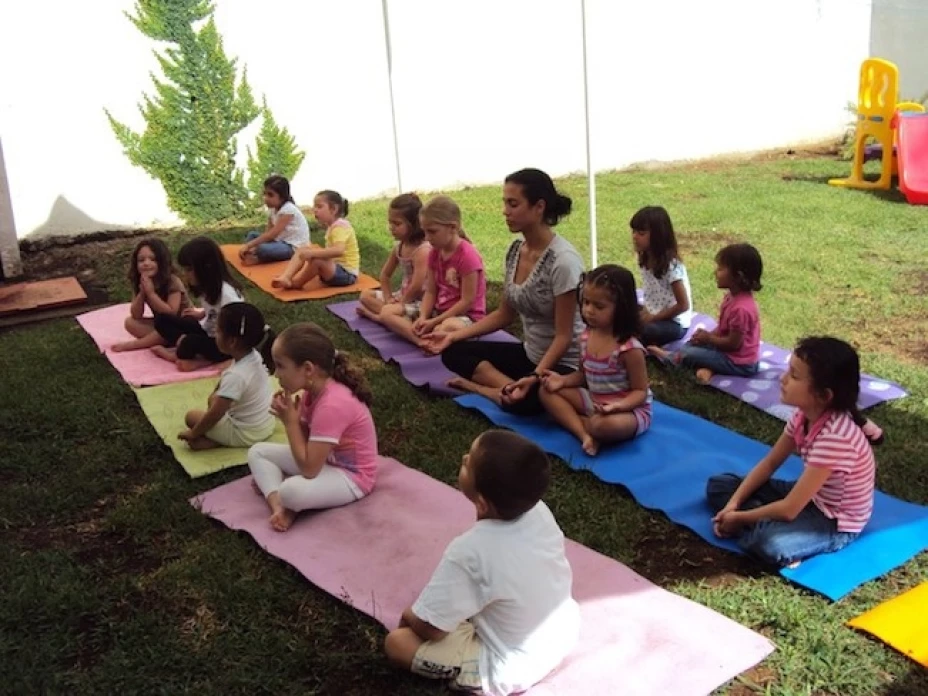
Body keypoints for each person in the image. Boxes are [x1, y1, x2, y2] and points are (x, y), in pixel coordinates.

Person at [384, 430, 580, 696]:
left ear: (482, 504)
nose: (464, 458)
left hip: (511, 666)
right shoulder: (538, 511)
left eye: (468, 463)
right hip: (564, 629)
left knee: (398, 643)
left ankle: (473, 679)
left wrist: (411, 614)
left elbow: (432, 629)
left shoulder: (468, 551)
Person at [706, 336, 883, 568]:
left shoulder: (836, 437)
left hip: (834, 521)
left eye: (794, 376)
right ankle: (761, 523)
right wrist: (733, 504)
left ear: (824, 395)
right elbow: (770, 463)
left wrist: (739, 518)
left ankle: (768, 531)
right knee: (720, 486)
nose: (783, 379)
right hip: (810, 498)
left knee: (768, 543)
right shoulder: (802, 416)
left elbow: (789, 509)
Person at [428, 169, 585, 416]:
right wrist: (455, 337)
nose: (505, 211)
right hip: (529, 354)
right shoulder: (515, 251)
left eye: (513, 204)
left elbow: (564, 337)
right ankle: (510, 391)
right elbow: (504, 314)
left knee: (534, 398)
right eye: (505, 203)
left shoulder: (564, 262)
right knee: (453, 351)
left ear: (539, 207)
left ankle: (490, 390)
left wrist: (534, 376)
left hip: (562, 365)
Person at [247, 323, 378, 532]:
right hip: (325, 461)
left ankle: (286, 501)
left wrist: (290, 423)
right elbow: (308, 443)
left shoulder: (332, 403)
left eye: (280, 366)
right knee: (258, 452)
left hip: (351, 477)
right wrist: (295, 419)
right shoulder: (312, 391)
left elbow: (309, 469)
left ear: (308, 369)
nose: (276, 374)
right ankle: (279, 507)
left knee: (290, 490)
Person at [540, 265, 652, 456]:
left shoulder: (629, 349)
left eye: (599, 306)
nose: (589, 310)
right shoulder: (585, 337)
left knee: (601, 425)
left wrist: (618, 406)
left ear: (621, 308)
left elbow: (640, 392)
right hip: (595, 401)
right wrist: (562, 381)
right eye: (586, 302)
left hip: (628, 411)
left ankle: (589, 427)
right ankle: (584, 434)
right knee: (546, 391)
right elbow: (584, 376)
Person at [379, 195, 486, 348]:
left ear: (453, 228)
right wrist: (423, 316)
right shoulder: (435, 252)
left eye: (432, 232)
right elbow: (430, 292)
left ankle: (430, 335)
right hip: (437, 310)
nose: (427, 238)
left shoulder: (468, 256)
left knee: (446, 327)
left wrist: (434, 321)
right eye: (425, 232)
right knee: (387, 312)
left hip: (465, 317)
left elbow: (466, 301)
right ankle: (422, 340)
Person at [649, 243, 762, 384]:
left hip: (740, 362)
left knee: (688, 354)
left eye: (720, 269)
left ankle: (673, 359)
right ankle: (708, 367)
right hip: (726, 351)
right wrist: (705, 337)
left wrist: (709, 339)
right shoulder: (731, 297)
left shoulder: (741, 309)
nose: (715, 272)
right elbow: (723, 329)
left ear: (738, 276)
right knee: (691, 344)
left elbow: (733, 344)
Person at [178, 303, 276, 450]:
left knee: (192, 416)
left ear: (232, 341)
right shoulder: (254, 356)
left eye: (217, 331)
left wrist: (194, 432)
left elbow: (216, 413)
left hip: (247, 434)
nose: (214, 334)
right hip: (265, 425)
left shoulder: (236, 375)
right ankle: (216, 438)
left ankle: (216, 441)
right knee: (213, 399)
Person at [149, 236, 244, 371]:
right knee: (162, 319)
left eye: (189, 270)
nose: (185, 274)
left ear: (206, 268)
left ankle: (196, 357)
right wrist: (201, 314)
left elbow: (237, 330)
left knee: (190, 342)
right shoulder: (207, 287)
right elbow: (213, 310)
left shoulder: (228, 296)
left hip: (223, 344)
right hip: (207, 330)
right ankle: (185, 346)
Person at [356, 192, 430, 323]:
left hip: (420, 301)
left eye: (397, 224)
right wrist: (388, 297)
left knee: (389, 311)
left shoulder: (423, 250)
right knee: (365, 295)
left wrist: (401, 302)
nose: (391, 228)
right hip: (402, 296)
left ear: (414, 224)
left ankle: (383, 317)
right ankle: (392, 316)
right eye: (390, 223)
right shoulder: (399, 247)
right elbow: (384, 275)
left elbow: (417, 286)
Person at [112, 238, 189, 352]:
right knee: (130, 323)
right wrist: (142, 293)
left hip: (182, 324)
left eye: (152, 259)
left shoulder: (172, 281)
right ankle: (163, 340)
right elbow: (136, 314)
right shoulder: (141, 281)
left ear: (162, 262)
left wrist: (151, 294)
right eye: (141, 260)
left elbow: (171, 312)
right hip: (161, 325)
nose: (146, 263)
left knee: (166, 330)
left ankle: (134, 345)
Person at [632, 206, 693, 348]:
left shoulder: (671, 267)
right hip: (652, 312)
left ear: (658, 236)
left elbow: (683, 305)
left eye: (641, 233)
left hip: (673, 322)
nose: (634, 236)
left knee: (644, 330)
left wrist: (653, 318)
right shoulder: (646, 258)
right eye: (634, 231)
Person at [271, 190, 359, 289]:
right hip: (334, 268)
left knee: (317, 260)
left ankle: (296, 283)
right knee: (302, 249)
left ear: (333, 209)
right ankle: (286, 277)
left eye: (319, 207)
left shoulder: (340, 227)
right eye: (314, 207)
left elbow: (339, 251)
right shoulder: (333, 226)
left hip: (346, 275)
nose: (315, 210)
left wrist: (313, 254)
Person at [239, 175, 310, 265]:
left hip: (293, 247)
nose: (265, 198)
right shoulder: (272, 209)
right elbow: (268, 232)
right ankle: (254, 254)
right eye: (264, 194)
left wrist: (250, 246)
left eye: (270, 195)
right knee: (252, 235)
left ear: (282, 197)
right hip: (279, 241)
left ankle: (258, 259)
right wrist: (254, 246)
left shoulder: (288, 210)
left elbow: (272, 235)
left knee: (263, 249)